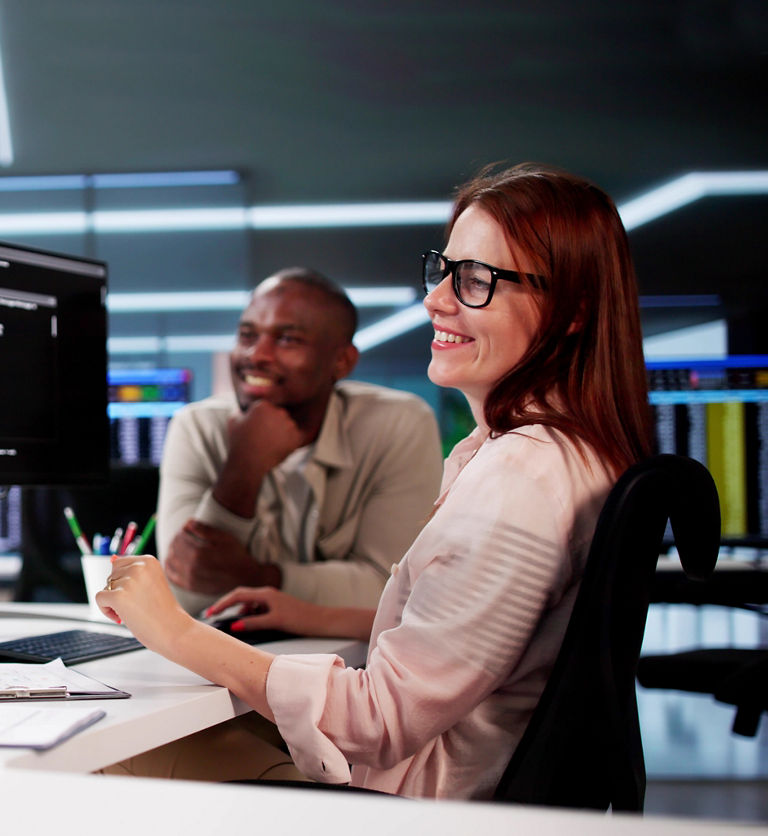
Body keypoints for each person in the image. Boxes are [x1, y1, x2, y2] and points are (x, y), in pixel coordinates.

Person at [97, 163, 653, 799]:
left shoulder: (518, 484)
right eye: (444, 270)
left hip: (411, 805)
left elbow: (378, 721)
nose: (435, 300)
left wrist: (174, 632)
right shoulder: (569, 455)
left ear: (572, 312)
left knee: (98, 756)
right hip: (444, 782)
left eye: (477, 280)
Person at [157, 267, 442, 616]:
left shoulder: (398, 425)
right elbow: (186, 591)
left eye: (287, 339)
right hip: (225, 646)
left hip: (355, 649)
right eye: (247, 335)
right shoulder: (197, 427)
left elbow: (394, 590)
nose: (256, 355)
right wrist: (243, 467)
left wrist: (257, 577)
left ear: (342, 361)